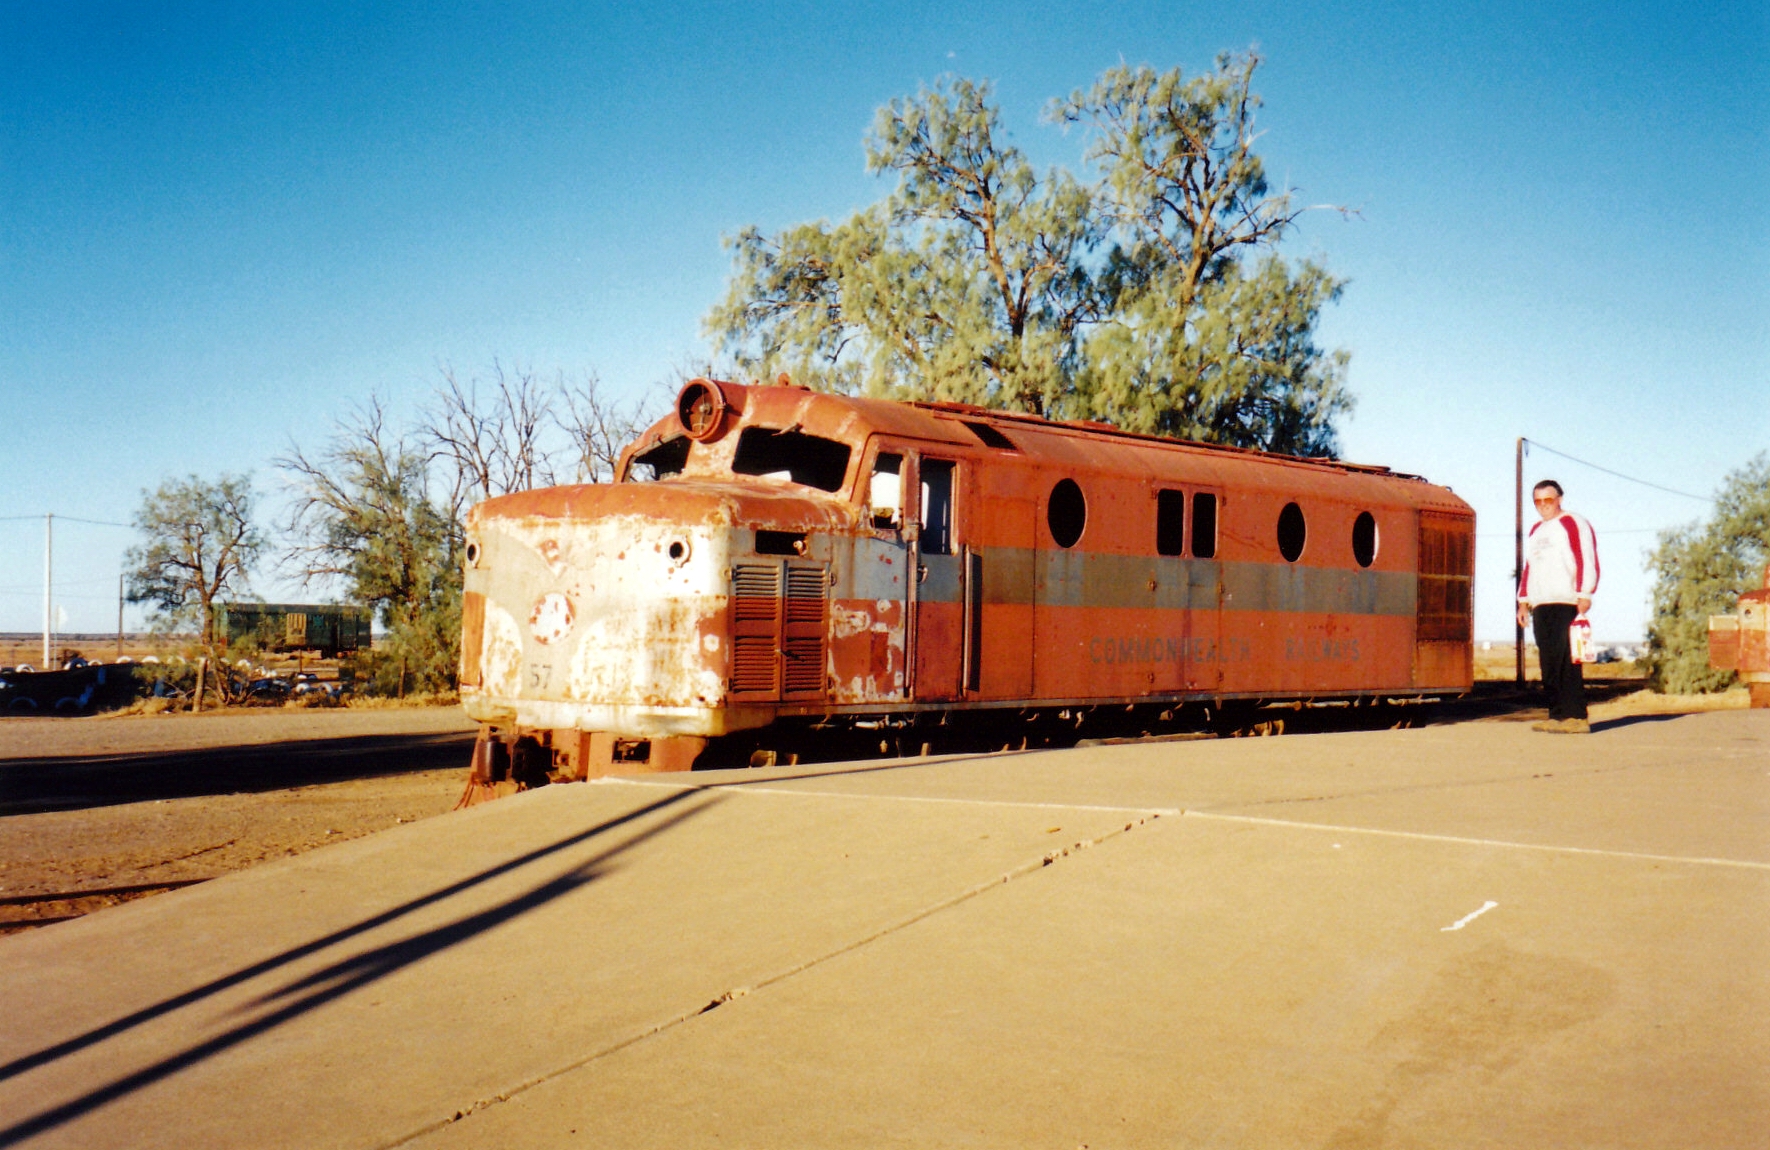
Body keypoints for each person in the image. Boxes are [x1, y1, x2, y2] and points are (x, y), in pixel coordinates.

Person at [1516, 479, 1599, 733]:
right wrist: (1523, 601)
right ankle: (1557, 715)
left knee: (1567, 660)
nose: (1543, 505)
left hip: (1566, 600)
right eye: (1538, 501)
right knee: (1549, 661)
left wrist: (1584, 593)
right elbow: (1529, 568)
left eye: (1548, 500)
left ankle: (1576, 717)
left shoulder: (1573, 522)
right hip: (1541, 603)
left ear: (1559, 499)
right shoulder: (1536, 530)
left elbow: (1585, 557)